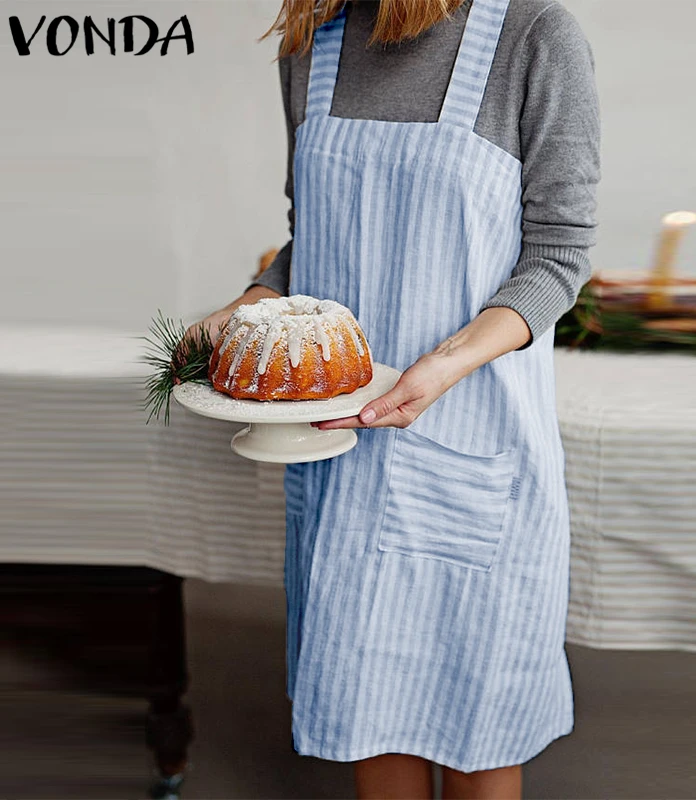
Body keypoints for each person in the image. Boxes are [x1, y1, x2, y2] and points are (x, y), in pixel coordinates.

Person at [189, 0, 600, 796]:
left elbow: (557, 256)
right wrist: (246, 306)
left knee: (480, 731)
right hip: (339, 448)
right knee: (370, 713)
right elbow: (312, 237)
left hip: (474, 432)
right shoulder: (315, 43)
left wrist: (442, 365)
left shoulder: (533, 34)